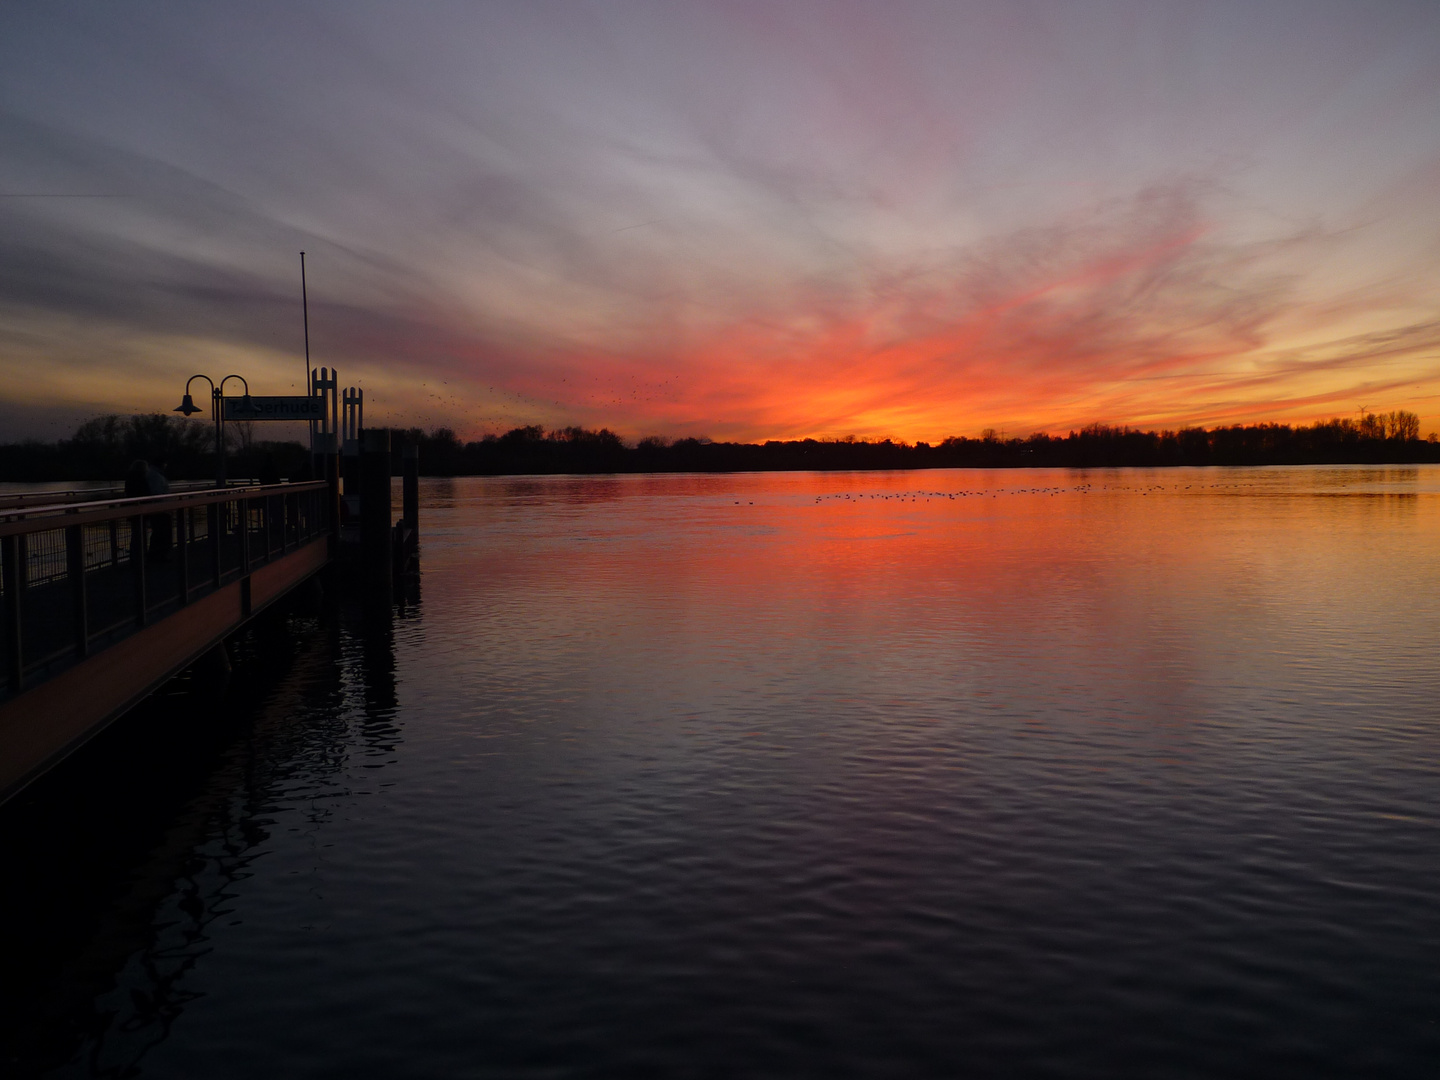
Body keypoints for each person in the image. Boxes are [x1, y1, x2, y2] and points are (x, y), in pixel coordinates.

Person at [125, 458, 172, 561]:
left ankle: (139, 557)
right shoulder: (143, 478)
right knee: (140, 535)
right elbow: (148, 492)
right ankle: (142, 558)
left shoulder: (133, 478)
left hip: (139, 509)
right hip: (144, 509)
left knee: (138, 534)